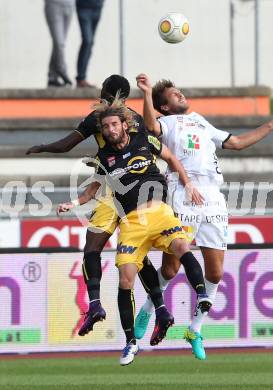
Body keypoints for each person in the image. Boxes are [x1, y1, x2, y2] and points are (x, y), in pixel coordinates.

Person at [135, 73, 273, 360]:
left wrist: (271, 125)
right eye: (174, 94)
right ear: (166, 107)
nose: (180, 94)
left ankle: (195, 329)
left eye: (179, 90)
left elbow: (236, 143)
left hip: (213, 198)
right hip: (183, 190)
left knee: (216, 273)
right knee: (170, 268)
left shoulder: (201, 120)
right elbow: (149, 125)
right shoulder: (167, 123)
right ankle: (149, 309)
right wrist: (147, 94)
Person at [59, 100, 211, 365]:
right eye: (105, 126)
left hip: (160, 212)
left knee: (182, 247)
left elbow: (171, 157)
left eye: (114, 124)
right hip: (131, 223)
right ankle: (131, 343)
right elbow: (93, 189)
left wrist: (187, 185)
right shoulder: (103, 158)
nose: (110, 129)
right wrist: (71, 204)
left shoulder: (144, 140)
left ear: (123, 124)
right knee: (126, 279)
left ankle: (202, 296)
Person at [26, 75, 168, 338]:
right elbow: (155, 147)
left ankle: (94, 305)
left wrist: (43, 147)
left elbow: (68, 144)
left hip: (111, 190)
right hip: (140, 192)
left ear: (105, 92)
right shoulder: (134, 117)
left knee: (92, 249)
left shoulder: (100, 118)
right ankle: (161, 309)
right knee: (137, 254)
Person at [44, 0, 74, 87]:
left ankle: (52, 77)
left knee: (59, 44)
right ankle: (62, 70)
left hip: (70, 5)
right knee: (59, 43)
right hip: (54, 5)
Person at [76, 0, 104, 88]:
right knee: (87, 41)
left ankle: (82, 78)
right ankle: (81, 78)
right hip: (83, 7)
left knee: (90, 43)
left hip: (97, 7)